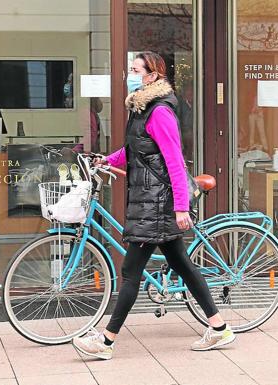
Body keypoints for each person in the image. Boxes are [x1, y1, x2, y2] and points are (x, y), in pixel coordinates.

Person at [73, 52, 235, 360]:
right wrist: (108, 159)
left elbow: (173, 159)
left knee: (131, 270)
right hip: (150, 200)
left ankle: (105, 343)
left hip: (158, 203)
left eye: (135, 70)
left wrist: (181, 207)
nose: (130, 75)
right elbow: (137, 149)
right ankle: (220, 328)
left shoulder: (160, 110)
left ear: (152, 75)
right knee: (183, 265)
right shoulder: (141, 107)